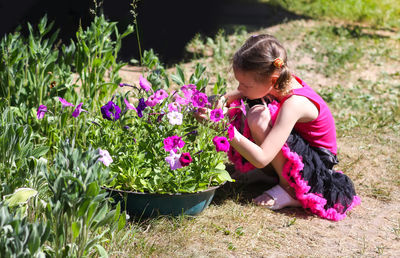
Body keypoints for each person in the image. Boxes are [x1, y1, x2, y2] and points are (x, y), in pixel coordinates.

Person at [199, 34, 360, 221]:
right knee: (252, 106)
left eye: (245, 84)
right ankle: (270, 175)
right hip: (299, 152)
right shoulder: (276, 82)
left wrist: (225, 129)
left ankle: (290, 190)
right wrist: (220, 103)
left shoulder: (295, 104)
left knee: (258, 116)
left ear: (273, 80)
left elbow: (262, 157)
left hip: (315, 170)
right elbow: (236, 95)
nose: (240, 88)